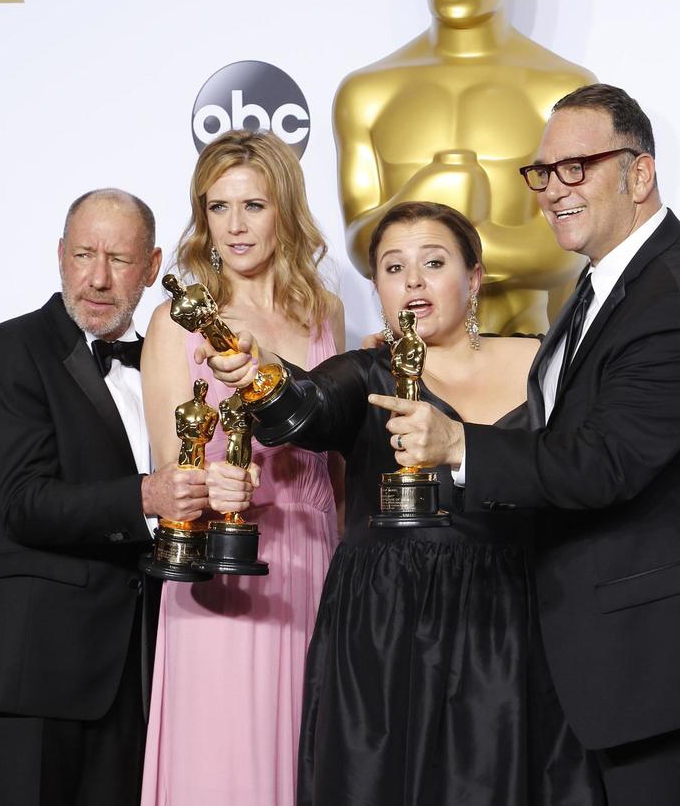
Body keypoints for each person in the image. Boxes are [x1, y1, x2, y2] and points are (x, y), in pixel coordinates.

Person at [372, 86, 680, 804]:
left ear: (639, 175)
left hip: (675, 683)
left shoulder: (677, 303)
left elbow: (601, 462)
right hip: (616, 674)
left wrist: (461, 445)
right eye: (544, 172)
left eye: (577, 167)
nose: (554, 190)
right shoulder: (606, 286)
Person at [205, 201, 605, 805]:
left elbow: (589, 467)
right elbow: (307, 406)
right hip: (388, 627)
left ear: (474, 279)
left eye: (433, 262)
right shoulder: (364, 374)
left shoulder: (544, 364)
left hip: (517, 619)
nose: (412, 281)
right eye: (393, 268)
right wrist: (261, 376)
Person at [0, 189, 253, 806]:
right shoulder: (10, 352)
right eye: (83, 254)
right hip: (36, 678)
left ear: (153, 268)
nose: (98, 278)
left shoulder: (171, 362)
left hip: (136, 672)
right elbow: (23, 503)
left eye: (120, 260)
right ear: (59, 256)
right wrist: (147, 496)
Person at [139, 129, 343, 806]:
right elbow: (171, 466)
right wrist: (204, 486)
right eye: (218, 207)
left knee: (304, 756)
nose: (234, 225)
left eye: (252, 205)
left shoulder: (324, 314)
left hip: (311, 561)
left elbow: (335, 456)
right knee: (220, 762)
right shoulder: (178, 322)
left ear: (283, 208)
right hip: (220, 567)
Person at [334, 0, 596, 334]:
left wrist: (442, 242)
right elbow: (361, 245)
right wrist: (428, 189)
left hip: (527, 355)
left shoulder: (562, 88)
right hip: (413, 365)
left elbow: (571, 243)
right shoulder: (366, 93)